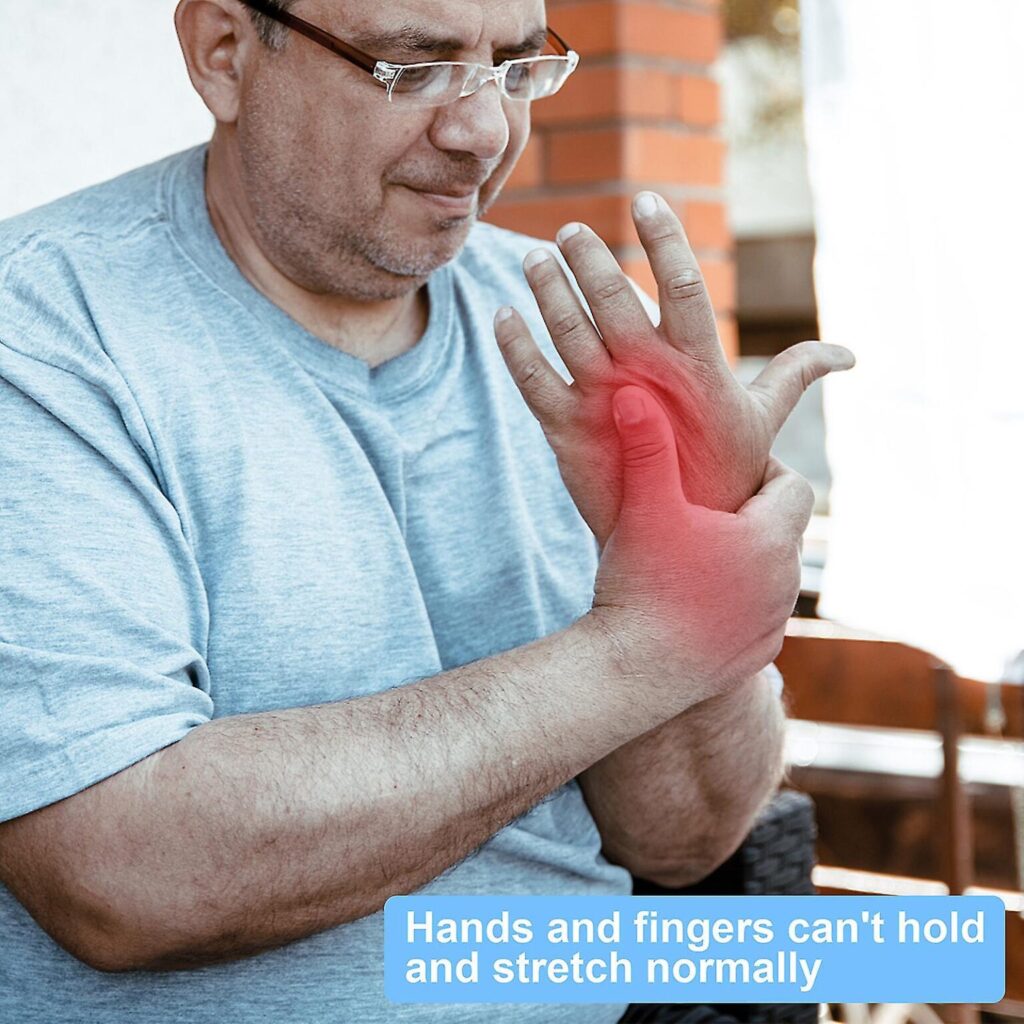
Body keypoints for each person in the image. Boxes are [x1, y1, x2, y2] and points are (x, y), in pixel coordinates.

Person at [0, 1, 853, 1021]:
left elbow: (682, 842)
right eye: (413, 66)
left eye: (516, 66)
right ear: (223, 52)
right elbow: (120, 875)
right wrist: (649, 647)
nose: (484, 130)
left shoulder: (566, 335)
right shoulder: (44, 331)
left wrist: (705, 571)